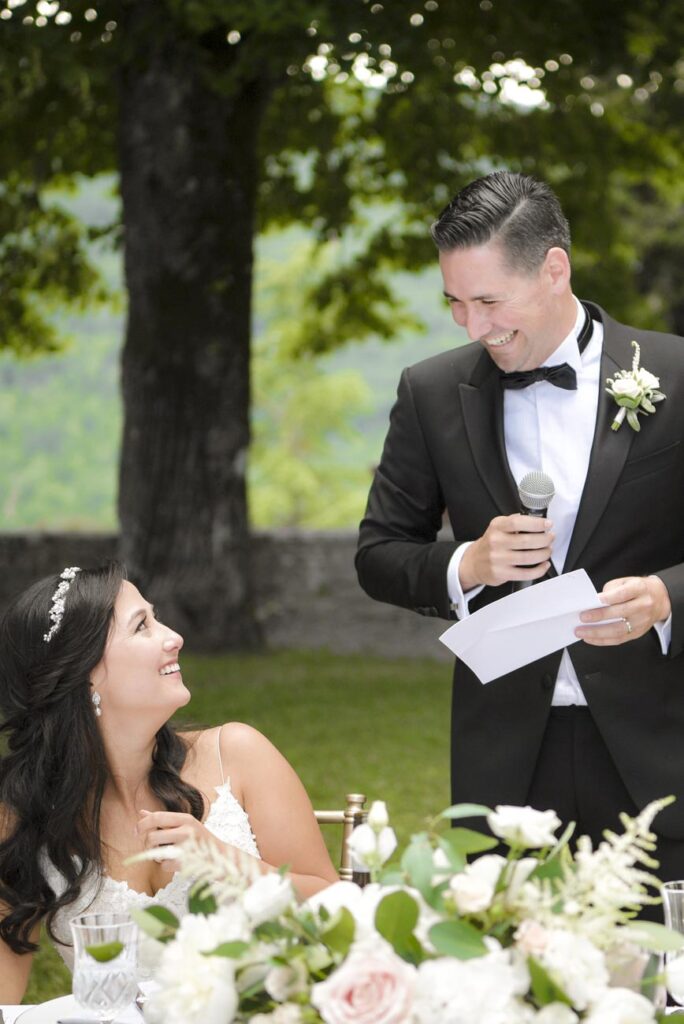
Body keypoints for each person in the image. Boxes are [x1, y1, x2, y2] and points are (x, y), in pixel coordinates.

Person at [357, 170, 684, 882]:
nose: (474, 327)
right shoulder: (431, 391)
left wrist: (665, 600)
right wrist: (466, 565)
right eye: (455, 303)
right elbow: (379, 553)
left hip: (659, 752)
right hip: (505, 764)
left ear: (554, 269)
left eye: (488, 301)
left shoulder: (677, 373)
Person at [0, 562, 337, 1003]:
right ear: (84, 673)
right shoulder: (22, 814)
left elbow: (340, 909)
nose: (173, 637)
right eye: (142, 626)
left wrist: (227, 864)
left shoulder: (237, 754)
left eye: (155, 617)